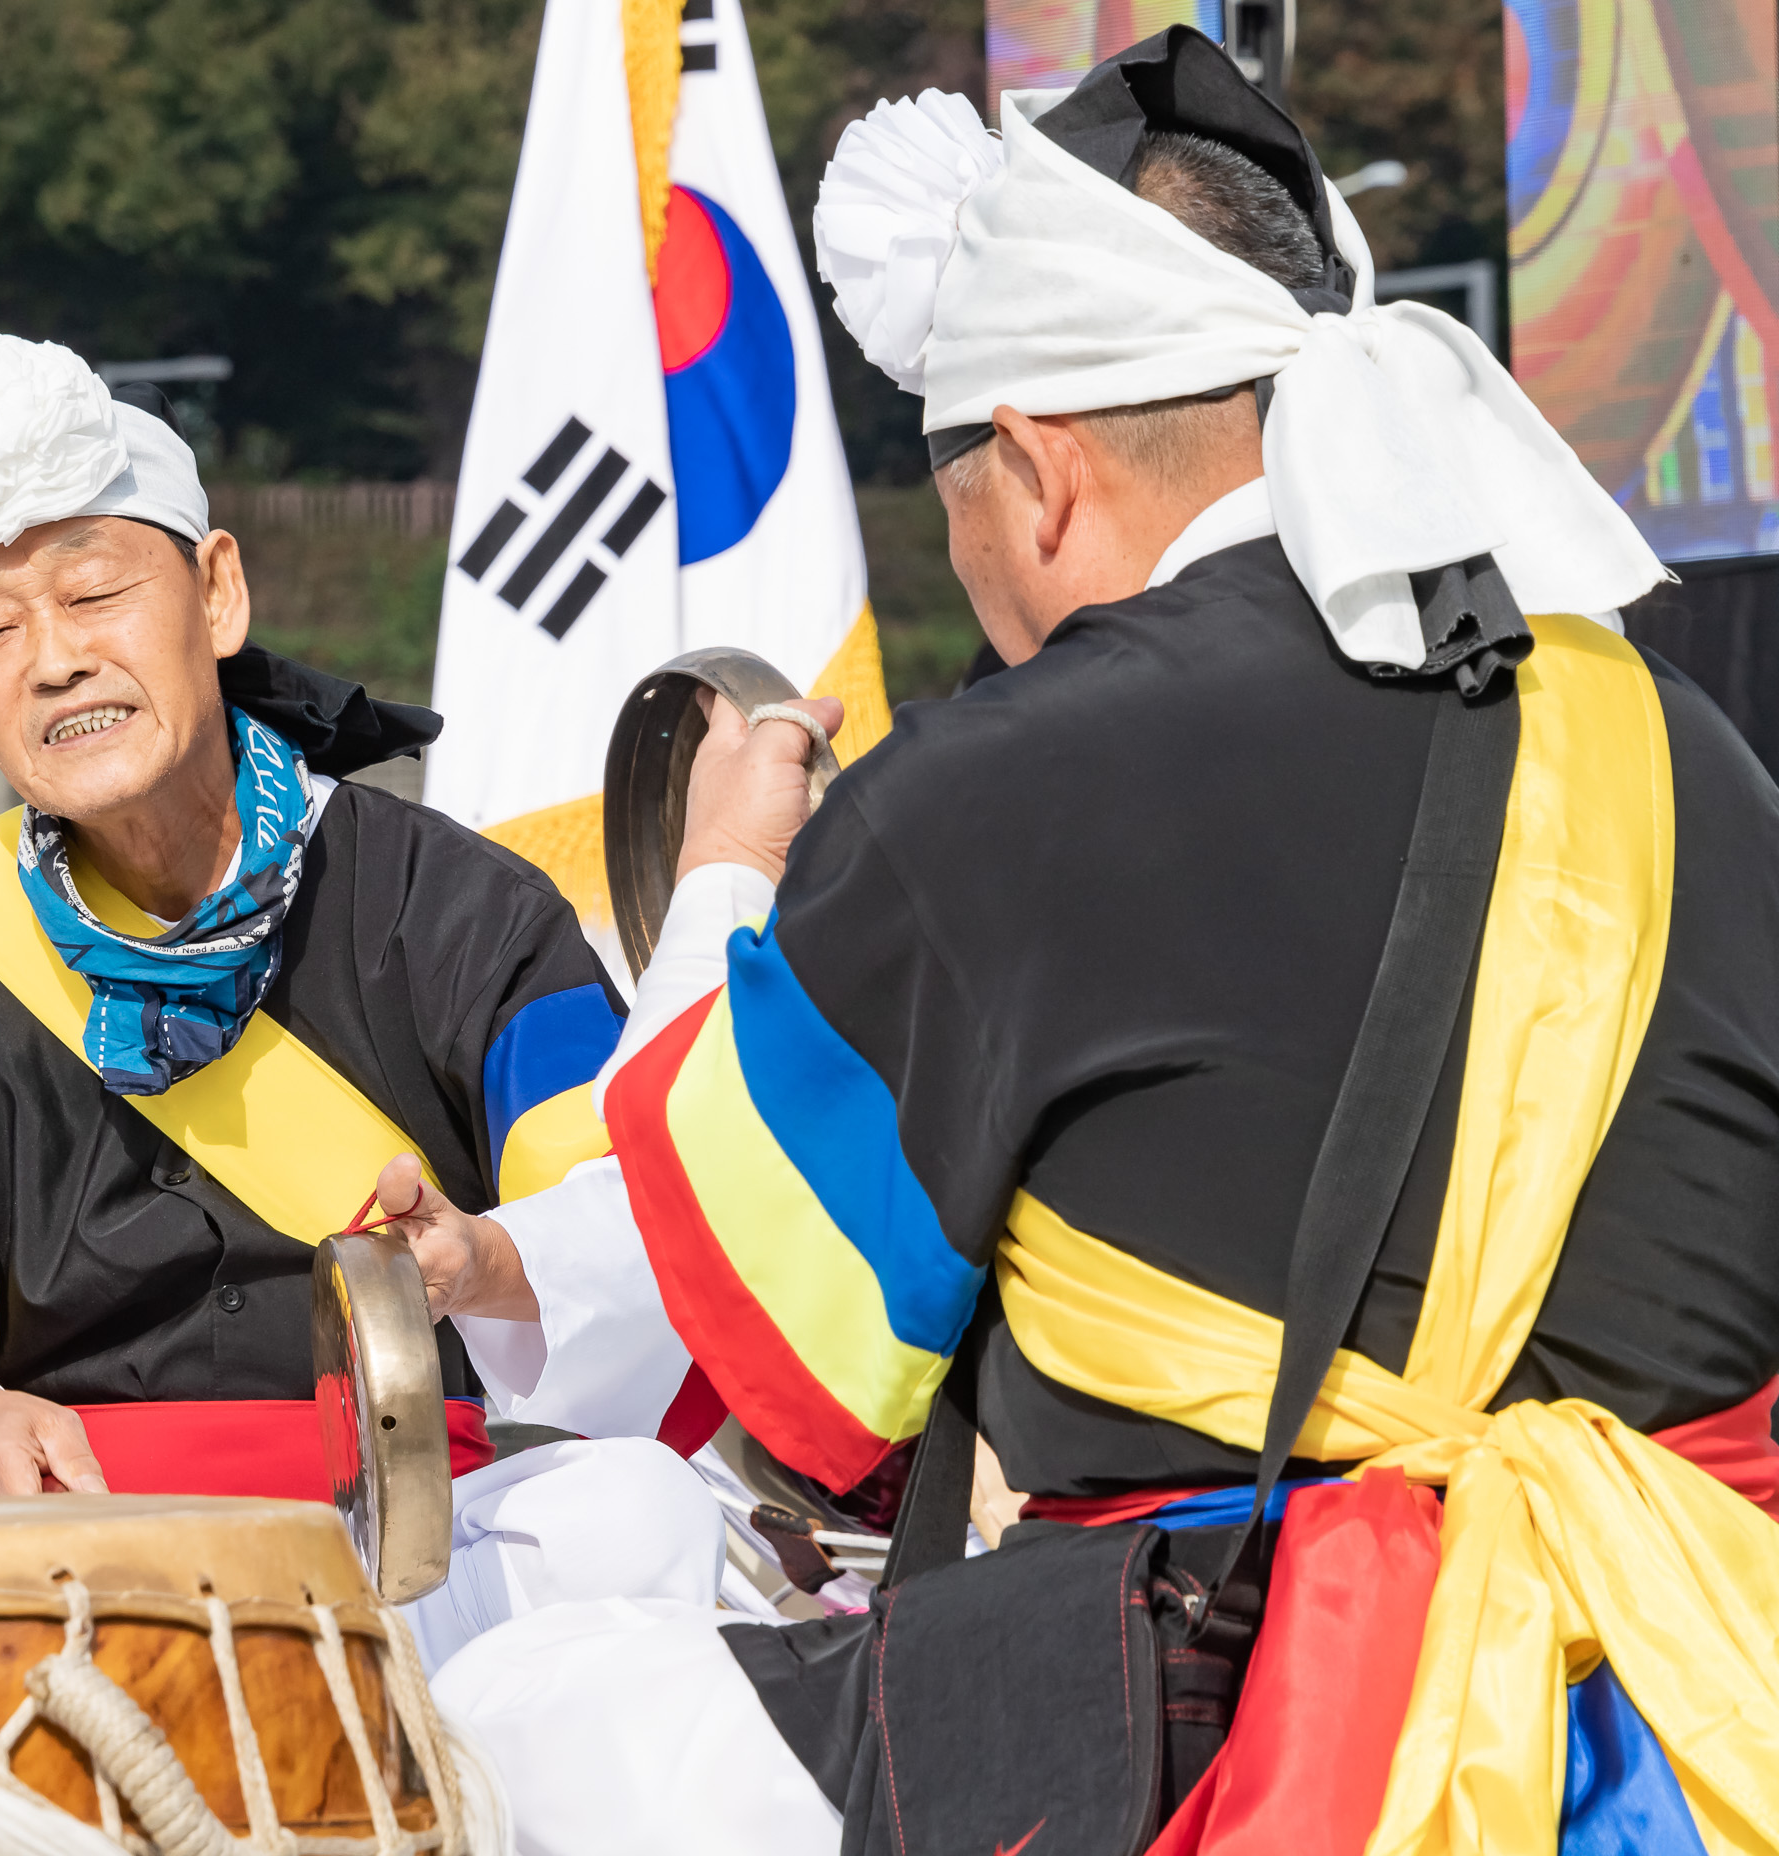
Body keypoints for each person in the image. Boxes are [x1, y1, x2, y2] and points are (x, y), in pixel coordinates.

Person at [373, 31, 1779, 1853]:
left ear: (1031, 473)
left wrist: (721, 875)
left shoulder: (979, 793)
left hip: (1241, 1711)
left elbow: (787, 1359)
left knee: (521, 1713)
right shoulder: (1679, 741)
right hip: (1703, 1693)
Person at [0, 334, 734, 1670]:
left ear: (216, 593)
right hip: (43, 1556)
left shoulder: (455, 905)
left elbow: (635, 1232)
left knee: (638, 1518)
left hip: (397, 1542)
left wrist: (488, 1263)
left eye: (96, 593)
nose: (52, 662)